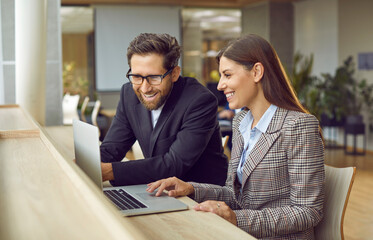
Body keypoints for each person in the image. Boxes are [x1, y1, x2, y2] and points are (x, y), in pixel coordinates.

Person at [147, 34, 325, 239]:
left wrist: (236, 219)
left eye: (227, 75)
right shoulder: (241, 122)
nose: (220, 85)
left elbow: (308, 212)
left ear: (257, 72)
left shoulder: (298, 126)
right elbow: (236, 196)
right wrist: (191, 189)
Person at [100, 33, 228, 186]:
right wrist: (85, 164)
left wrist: (109, 171)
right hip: (157, 190)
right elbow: (111, 149)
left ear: (174, 74)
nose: (145, 88)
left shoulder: (199, 101)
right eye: (137, 76)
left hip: (199, 197)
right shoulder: (129, 94)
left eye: (154, 77)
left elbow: (173, 164)